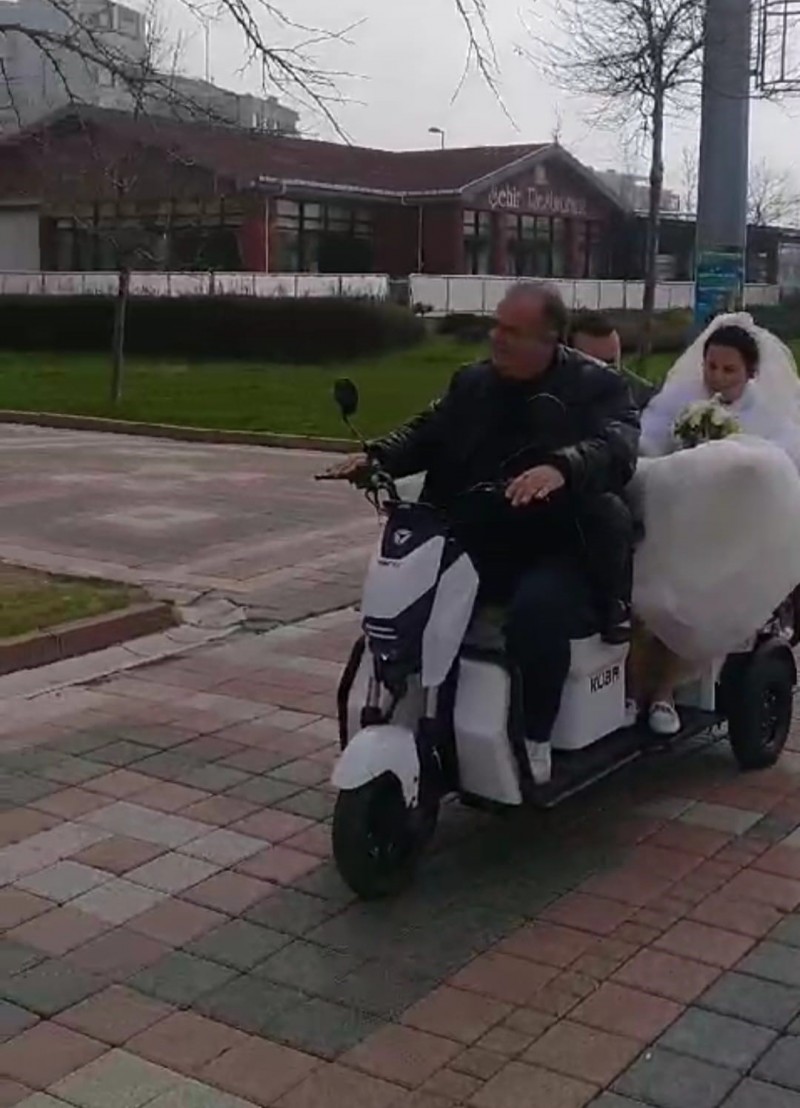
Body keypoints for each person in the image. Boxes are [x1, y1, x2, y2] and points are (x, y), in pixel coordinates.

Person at [326, 282, 640, 786]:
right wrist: (377, 457)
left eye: (513, 331)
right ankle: (409, 713)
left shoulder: (596, 387)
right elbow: (428, 430)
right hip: (478, 534)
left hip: (562, 542)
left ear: (550, 339)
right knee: (405, 599)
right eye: (497, 326)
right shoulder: (472, 382)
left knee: (537, 612)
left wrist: (562, 467)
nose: (497, 338)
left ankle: (535, 737)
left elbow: (617, 443)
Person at [629, 313, 800, 736]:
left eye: (729, 370)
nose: (717, 378)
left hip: (729, 533)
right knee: (640, 594)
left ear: (750, 373)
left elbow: (773, 471)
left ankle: (665, 693)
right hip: (673, 516)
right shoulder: (681, 397)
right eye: (711, 366)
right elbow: (647, 441)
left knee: (687, 599)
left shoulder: (769, 416)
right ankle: (634, 686)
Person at [568, 310, 659, 412]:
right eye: (593, 364)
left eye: (610, 364)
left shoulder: (647, 400)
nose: (602, 372)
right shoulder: (557, 400)